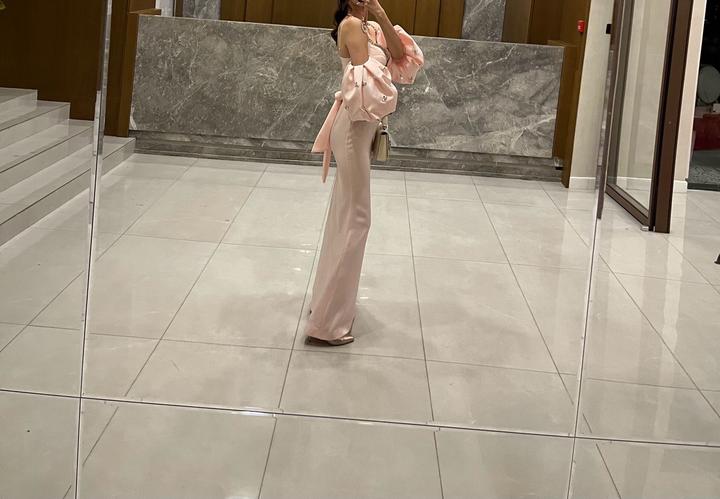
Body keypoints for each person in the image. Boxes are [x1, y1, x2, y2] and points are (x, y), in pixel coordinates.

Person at [305, 0, 424, 346]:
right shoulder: (351, 25)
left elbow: (401, 57)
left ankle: (324, 306)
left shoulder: (370, 25)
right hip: (353, 128)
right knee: (357, 219)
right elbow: (368, 80)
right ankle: (328, 324)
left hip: (363, 127)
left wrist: (381, 14)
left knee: (344, 216)